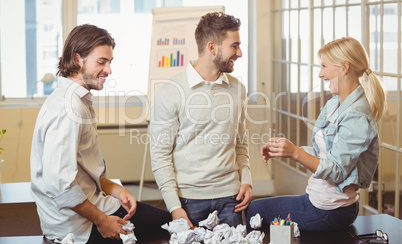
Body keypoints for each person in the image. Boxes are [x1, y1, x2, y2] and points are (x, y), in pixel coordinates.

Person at [30, 24, 171, 243]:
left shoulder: (73, 99)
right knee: (172, 227)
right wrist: (103, 221)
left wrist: (115, 189)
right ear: (78, 59)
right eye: (101, 62)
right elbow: (60, 185)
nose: (109, 70)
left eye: (110, 62)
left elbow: (81, 171)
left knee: (167, 222)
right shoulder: (69, 109)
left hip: (89, 208)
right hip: (80, 226)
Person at [246, 37, 387, 231]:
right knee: (251, 209)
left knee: (251, 212)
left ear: (344, 67)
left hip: (330, 211)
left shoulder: (356, 117)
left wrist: (295, 152)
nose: (321, 74)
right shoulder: (335, 104)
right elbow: (326, 153)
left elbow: (336, 171)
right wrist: (285, 149)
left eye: (324, 66)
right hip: (319, 200)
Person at [150, 12, 252, 228]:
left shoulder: (238, 89)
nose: (240, 53)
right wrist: (174, 207)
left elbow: (241, 142)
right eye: (234, 46)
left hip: (231, 199)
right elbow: (160, 155)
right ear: (212, 47)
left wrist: (246, 180)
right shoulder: (170, 91)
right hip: (189, 201)